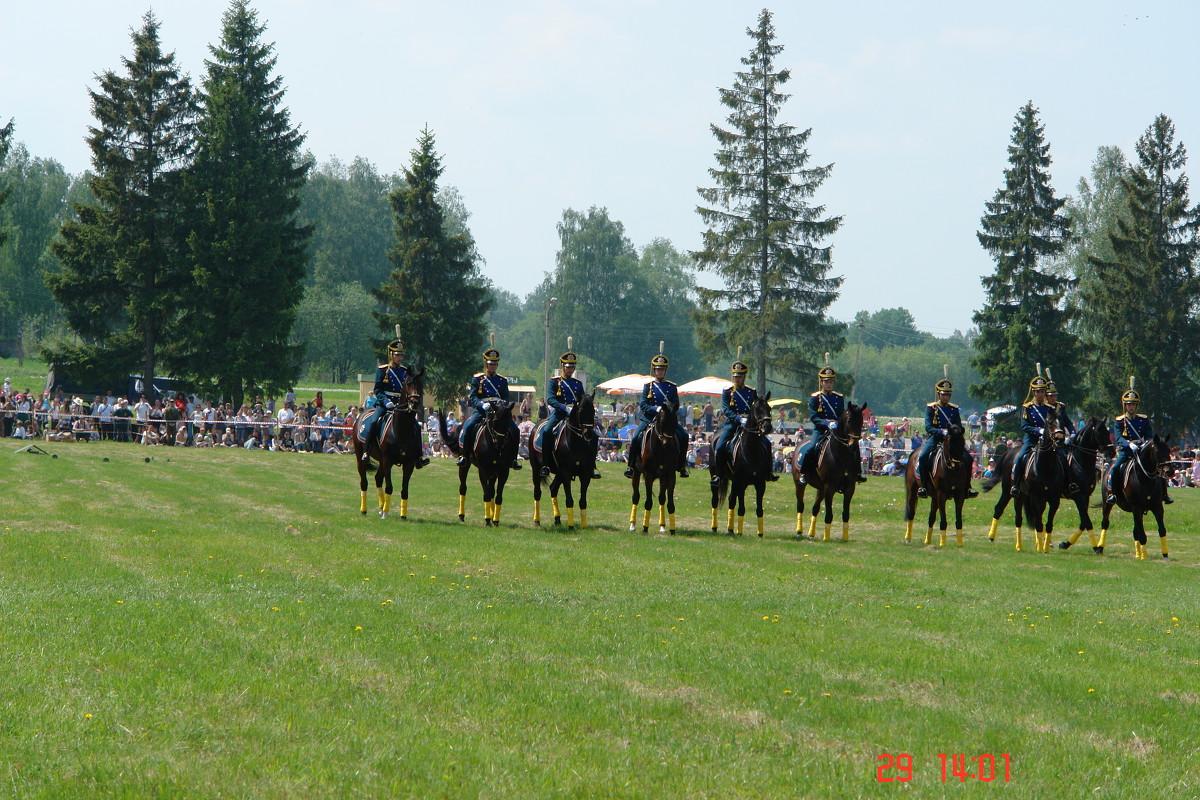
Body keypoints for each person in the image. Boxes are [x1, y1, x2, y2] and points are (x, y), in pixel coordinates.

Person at [360, 335, 429, 468]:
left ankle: (418, 457)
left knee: (416, 426)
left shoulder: (404, 371)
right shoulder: (382, 370)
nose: (400, 358)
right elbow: (378, 390)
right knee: (374, 422)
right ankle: (367, 452)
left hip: (401, 405)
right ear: (391, 355)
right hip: (385, 404)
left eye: (401, 355)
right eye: (397, 355)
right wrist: (386, 402)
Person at [708, 354, 777, 485]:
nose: (737, 379)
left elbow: (755, 408)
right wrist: (739, 419)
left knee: (767, 444)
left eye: (739, 376)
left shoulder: (751, 392)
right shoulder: (727, 392)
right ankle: (718, 474)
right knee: (721, 446)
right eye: (735, 376)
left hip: (750, 425)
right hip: (732, 424)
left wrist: (750, 419)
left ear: (744, 377)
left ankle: (769, 472)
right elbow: (726, 409)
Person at [624, 346, 690, 479]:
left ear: (665, 371)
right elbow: (643, 404)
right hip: (649, 419)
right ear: (654, 370)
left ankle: (682, 466)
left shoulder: (671, 387)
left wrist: (666, 409)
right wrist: (656, 409)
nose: (660, 372)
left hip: (667, 420)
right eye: (658, 369)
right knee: (636, 437)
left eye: (662, 369)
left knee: (684, 435)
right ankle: (631, 466)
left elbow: (676, 404)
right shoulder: (648, 386)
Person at [538, 343, 601, 479]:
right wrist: (565, 407)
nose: (570, 369)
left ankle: (591, 466)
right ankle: (546, 464)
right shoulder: (554, 382)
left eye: (572, 366)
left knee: (594, 436)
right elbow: (550, 399)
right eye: (568, 366)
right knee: (547, 431)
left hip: (576, 417)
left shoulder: (577, 383)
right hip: (560, 414)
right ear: (563, 366)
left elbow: (584, 399)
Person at [457, 339, 522, 470]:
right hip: (482, 410)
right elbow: (473, 397)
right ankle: (464, 456)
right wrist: (481, 405)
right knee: (468, 427)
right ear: (486, 364)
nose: (493, 366)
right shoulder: (477, 379)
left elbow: (505, 397)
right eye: (491, 364)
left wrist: (501, 405)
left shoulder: (502, 380)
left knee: (515, 430)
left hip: (498, 411)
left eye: (495, 364)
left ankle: (513, 459)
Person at [796, 365, 865, 485]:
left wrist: (837, 423)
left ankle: (858, 473)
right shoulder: (815, 398)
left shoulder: (838, 397)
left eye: (831, 382)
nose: (829, 384)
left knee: (854, 448)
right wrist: (827, 423)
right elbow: (814, 417)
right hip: (821, 429)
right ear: (821, 383)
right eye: (826, 382)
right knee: (811, 448)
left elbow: (841, 415)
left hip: (836, 429)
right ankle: (803, 473)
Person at [1107, 382, 1172, 504]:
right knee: (1115, 468)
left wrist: (1144, 443)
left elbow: (1148, 435)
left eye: (1133, 405)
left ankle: (1164, 494)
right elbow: (1118, 438)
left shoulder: (1143, 419)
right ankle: (1113, 494)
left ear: (1136, 406)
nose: (1131, 407)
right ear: (1125, 405)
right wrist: (1128, 444)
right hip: (1126, 450)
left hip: (1141, 449)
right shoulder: (1119, 421)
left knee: (1157, 467)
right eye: (1129, 405)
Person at [914, 378, 979, 498]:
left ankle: (967, 488)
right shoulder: (931, 408)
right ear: (939, 394)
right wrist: (940, 431)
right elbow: (928, 427)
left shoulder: (954, 409)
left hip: (951, 440)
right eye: (944, 395)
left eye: (948, 395)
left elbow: (958, 424)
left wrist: (955, 431)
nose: (946, 397)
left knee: (968, 459)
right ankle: (923, 487)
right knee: (923, 457)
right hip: (936, 438)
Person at [1010, 373, 1054, 496]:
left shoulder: (1050, 408)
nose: (1040, 394)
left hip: (1047, 441)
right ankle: (1016, 485)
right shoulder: (1027, 408)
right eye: (1038, 391)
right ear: (1034, 392)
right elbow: (1024, 426)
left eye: (1042, 391)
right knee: (1020, 458)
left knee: (1061, 456)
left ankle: (1068, 483)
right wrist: (1038, 431)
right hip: (1031, 440)